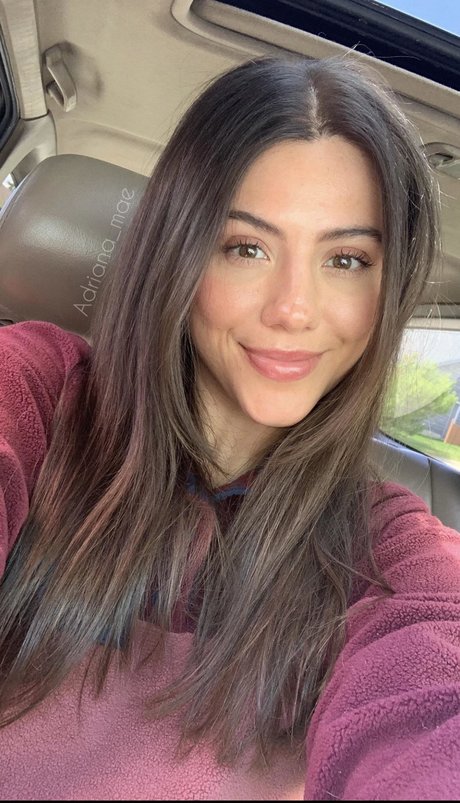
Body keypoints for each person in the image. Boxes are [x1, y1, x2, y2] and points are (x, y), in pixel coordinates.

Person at [0, 55, 459, 801]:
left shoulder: (388, 551)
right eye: (247, 248)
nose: (293, 309)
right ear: (178, 255)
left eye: (347, 259)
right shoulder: (37, 390)